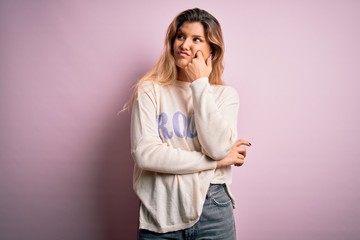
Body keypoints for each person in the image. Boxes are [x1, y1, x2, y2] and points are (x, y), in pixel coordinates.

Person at [126, 8, 251, 240]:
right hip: (161, 210)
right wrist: (216, 163)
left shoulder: (225, 96)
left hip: (213, 206)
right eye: (181, 36)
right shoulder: (150, 90)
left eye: (196, 39)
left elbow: (217, 148)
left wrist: (200, 84)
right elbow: (146, 155)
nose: (184, 44)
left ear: (211, 50)